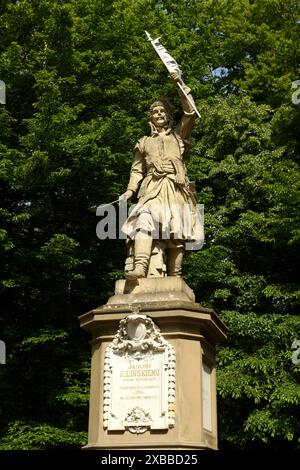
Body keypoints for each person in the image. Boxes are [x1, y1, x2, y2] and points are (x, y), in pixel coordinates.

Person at [121, 73, 203, 280]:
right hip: (151, 188)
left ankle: (176, 277)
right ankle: (139, 267)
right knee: (143, 219)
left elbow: (190, 113)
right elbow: (137, 169)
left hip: (175, 188)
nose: (159, 114)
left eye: (162, 111)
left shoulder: (178, 136)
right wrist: (130, 190)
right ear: (150, 117)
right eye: (155, 112)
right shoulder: (143, 142)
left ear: (168, 116)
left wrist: (179, 84)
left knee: (176, 236)